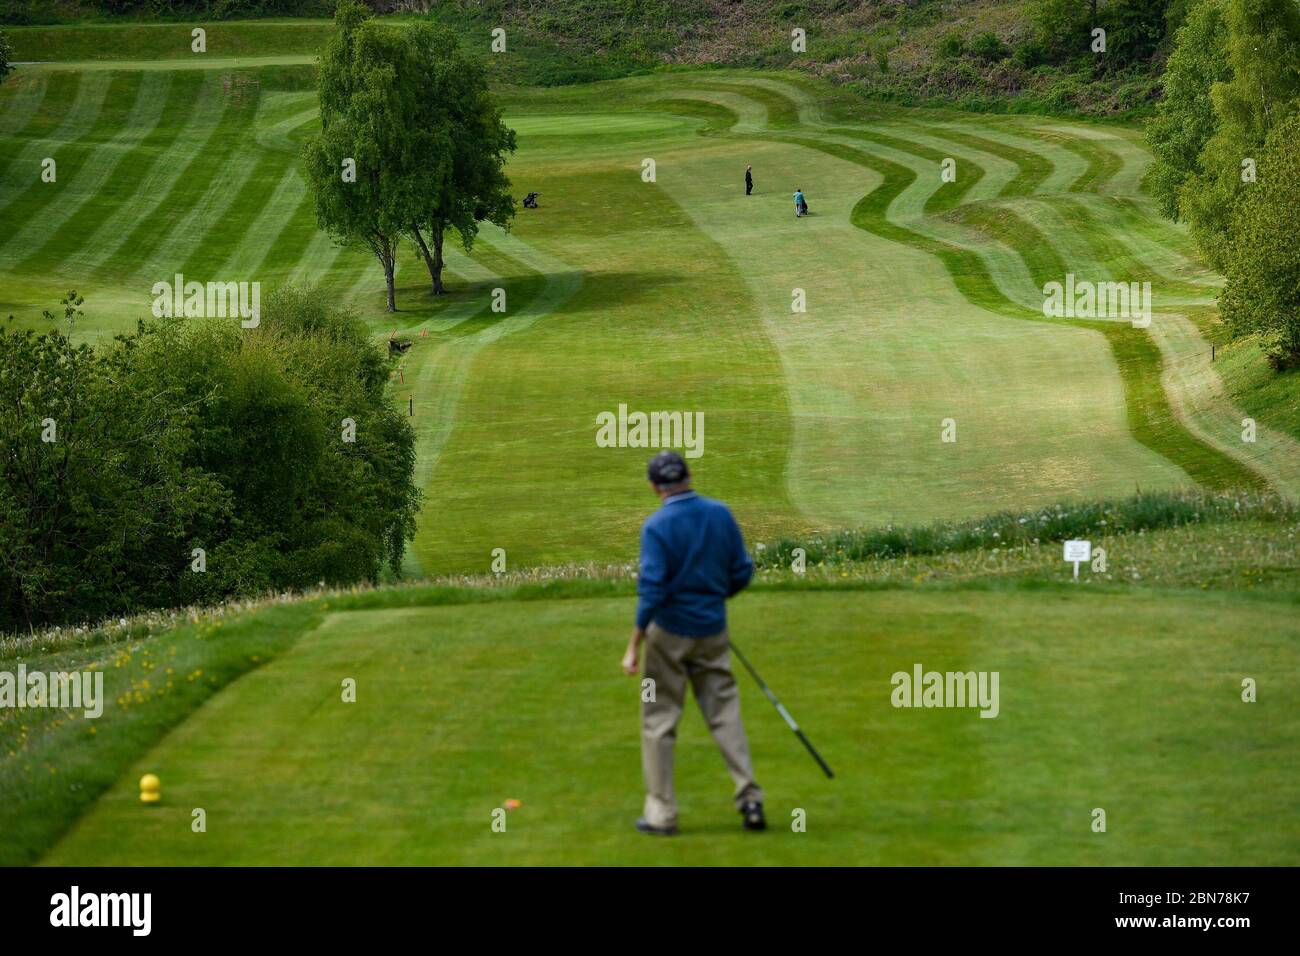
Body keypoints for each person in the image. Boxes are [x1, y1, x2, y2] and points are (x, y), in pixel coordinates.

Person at [622, 451, 764, 836]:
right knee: (724, 712)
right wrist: (714, 599)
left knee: (657, 718)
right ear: (689, 475)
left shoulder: (656, 527)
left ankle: (662, 814)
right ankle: (750, 797)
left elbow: (651, 591)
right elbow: (741, 572)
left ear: (654, 487)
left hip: (666, 638)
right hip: (713, 631)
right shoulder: (720, 514)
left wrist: (634, 643)